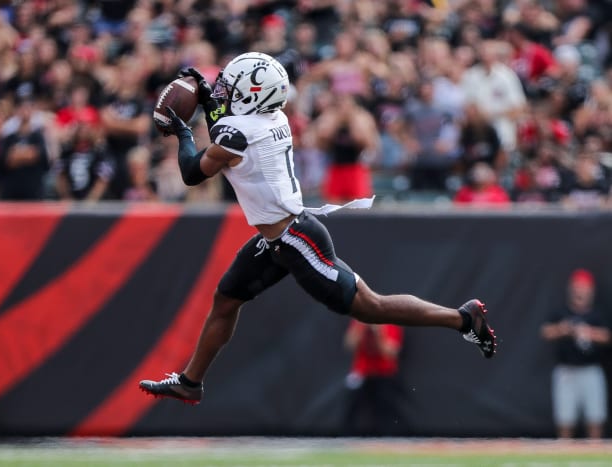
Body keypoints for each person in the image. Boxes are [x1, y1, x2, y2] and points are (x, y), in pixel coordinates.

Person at [139, 53, 497, 404]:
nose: (223, 93)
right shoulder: (269, 116)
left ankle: (461, 319)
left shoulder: (239, 132)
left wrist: (183, 131)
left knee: (370, 307)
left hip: (294, 239)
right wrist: (206, 99)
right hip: (277, 238)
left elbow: (192, 171)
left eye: (230, 88)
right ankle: (190, 382)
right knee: (226, 300)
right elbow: (227, 127)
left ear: (250, 96)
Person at [541, 269, 610, 439]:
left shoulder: (597, 315)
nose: (581, 292)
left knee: (595, 417)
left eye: (584, 288)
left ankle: (596, 458)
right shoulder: (561, 312)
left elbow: (607, 336)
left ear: (591, 291)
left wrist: (588, 332)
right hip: (567, 371)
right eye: (578, 288)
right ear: (572, 289)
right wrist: (563, 329)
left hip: (590, 370)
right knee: (565, 419)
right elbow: (545, 331)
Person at [343, 322, 403, 436]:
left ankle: (388, 439)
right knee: (352, 409)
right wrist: (361, 328)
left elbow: (391, 352)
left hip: (383, 373)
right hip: (362, 372)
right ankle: (347, 439)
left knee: (385, 411)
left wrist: (379, 333)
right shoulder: (359, 321)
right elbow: (349, 344)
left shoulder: (391, 323)